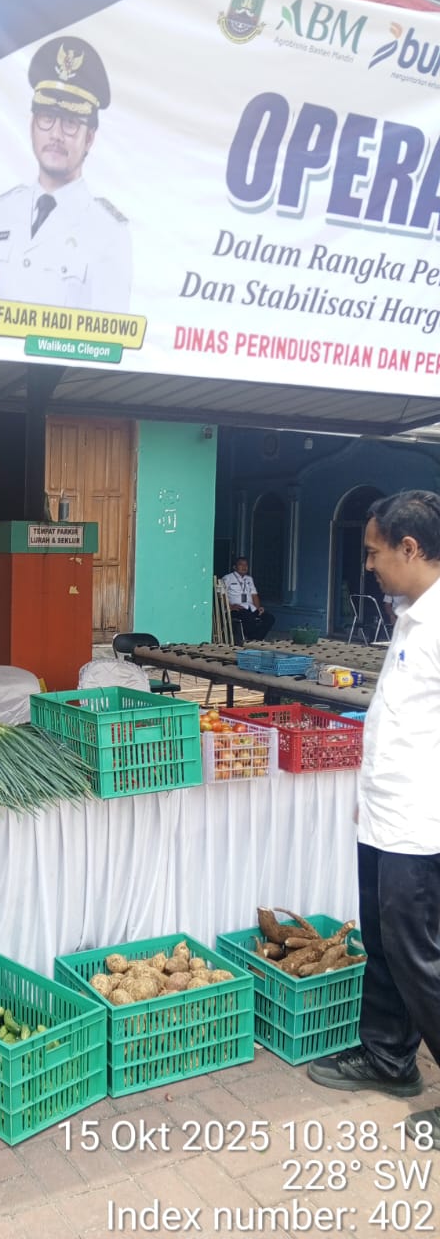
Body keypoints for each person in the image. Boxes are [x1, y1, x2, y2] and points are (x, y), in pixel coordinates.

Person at [307, 490, 440, 1148]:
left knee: (420, 957)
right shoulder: (412, 616)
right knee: (384, 943)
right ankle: (389, 1058)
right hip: (385, 814)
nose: (368, 565)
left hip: (422, 824)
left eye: (373, 552)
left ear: (409, 548)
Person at [0, 35, 132, 312]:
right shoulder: (0, 212)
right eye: (47, 118)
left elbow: (107, 331)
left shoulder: (108, 232)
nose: (56, 134)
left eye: (71, 122)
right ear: (32, 126)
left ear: (89, 138)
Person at [221, 556, 275, 639]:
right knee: (248, 618)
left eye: (246, 565)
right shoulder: (227, 578)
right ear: (234, 567)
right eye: (241, 564)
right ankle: (253, 638)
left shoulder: (249, 579)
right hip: (236, 609)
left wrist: (258, 608)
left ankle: (256, 639)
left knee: (269, 618)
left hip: (250, 608)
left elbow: (254, 595)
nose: (244, 567)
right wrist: (230, 606)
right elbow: (221, 595)